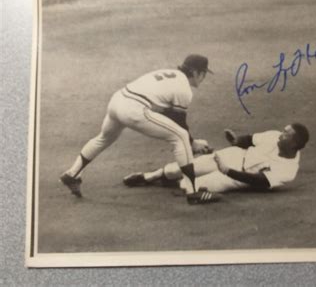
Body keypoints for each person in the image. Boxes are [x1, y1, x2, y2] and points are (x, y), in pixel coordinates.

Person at [60, 54, 218, 204]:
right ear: (196, 72)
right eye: (203, 73)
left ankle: (73, 173)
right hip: (133, 109)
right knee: (181, 136)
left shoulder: (168, 73)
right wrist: (193, 143)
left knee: (103, 138)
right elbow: (179, 123)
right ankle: (193, 192)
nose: (203, 78)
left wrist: (192, 142)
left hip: (117, 101)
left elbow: (168, 114)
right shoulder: (184, 89)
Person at [123, 123, 310, 197]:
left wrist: (227, 170)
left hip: (239, 178)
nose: (280, 135)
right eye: (284, 131)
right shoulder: (274, 135)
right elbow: (250, 139)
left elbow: (257, 181)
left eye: (286, 135)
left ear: (294, 144)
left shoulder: (288, 170)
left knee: (190, 186)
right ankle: (148, 176)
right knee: (183, 168)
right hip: (235, 155)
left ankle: (199, 192)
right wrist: (236, 140)